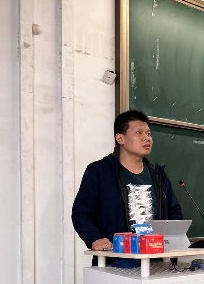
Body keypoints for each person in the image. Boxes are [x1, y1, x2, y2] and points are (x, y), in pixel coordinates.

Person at [72, 110, 183, 257]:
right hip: (116, 259)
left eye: (148, 133)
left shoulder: (158, 175)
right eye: (139, 133)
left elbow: (174, 212)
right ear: (120, 138)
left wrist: (173, 240)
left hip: (156, 259)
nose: (147, 138)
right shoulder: (99, 172)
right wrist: (94, 238)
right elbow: (81, 213)